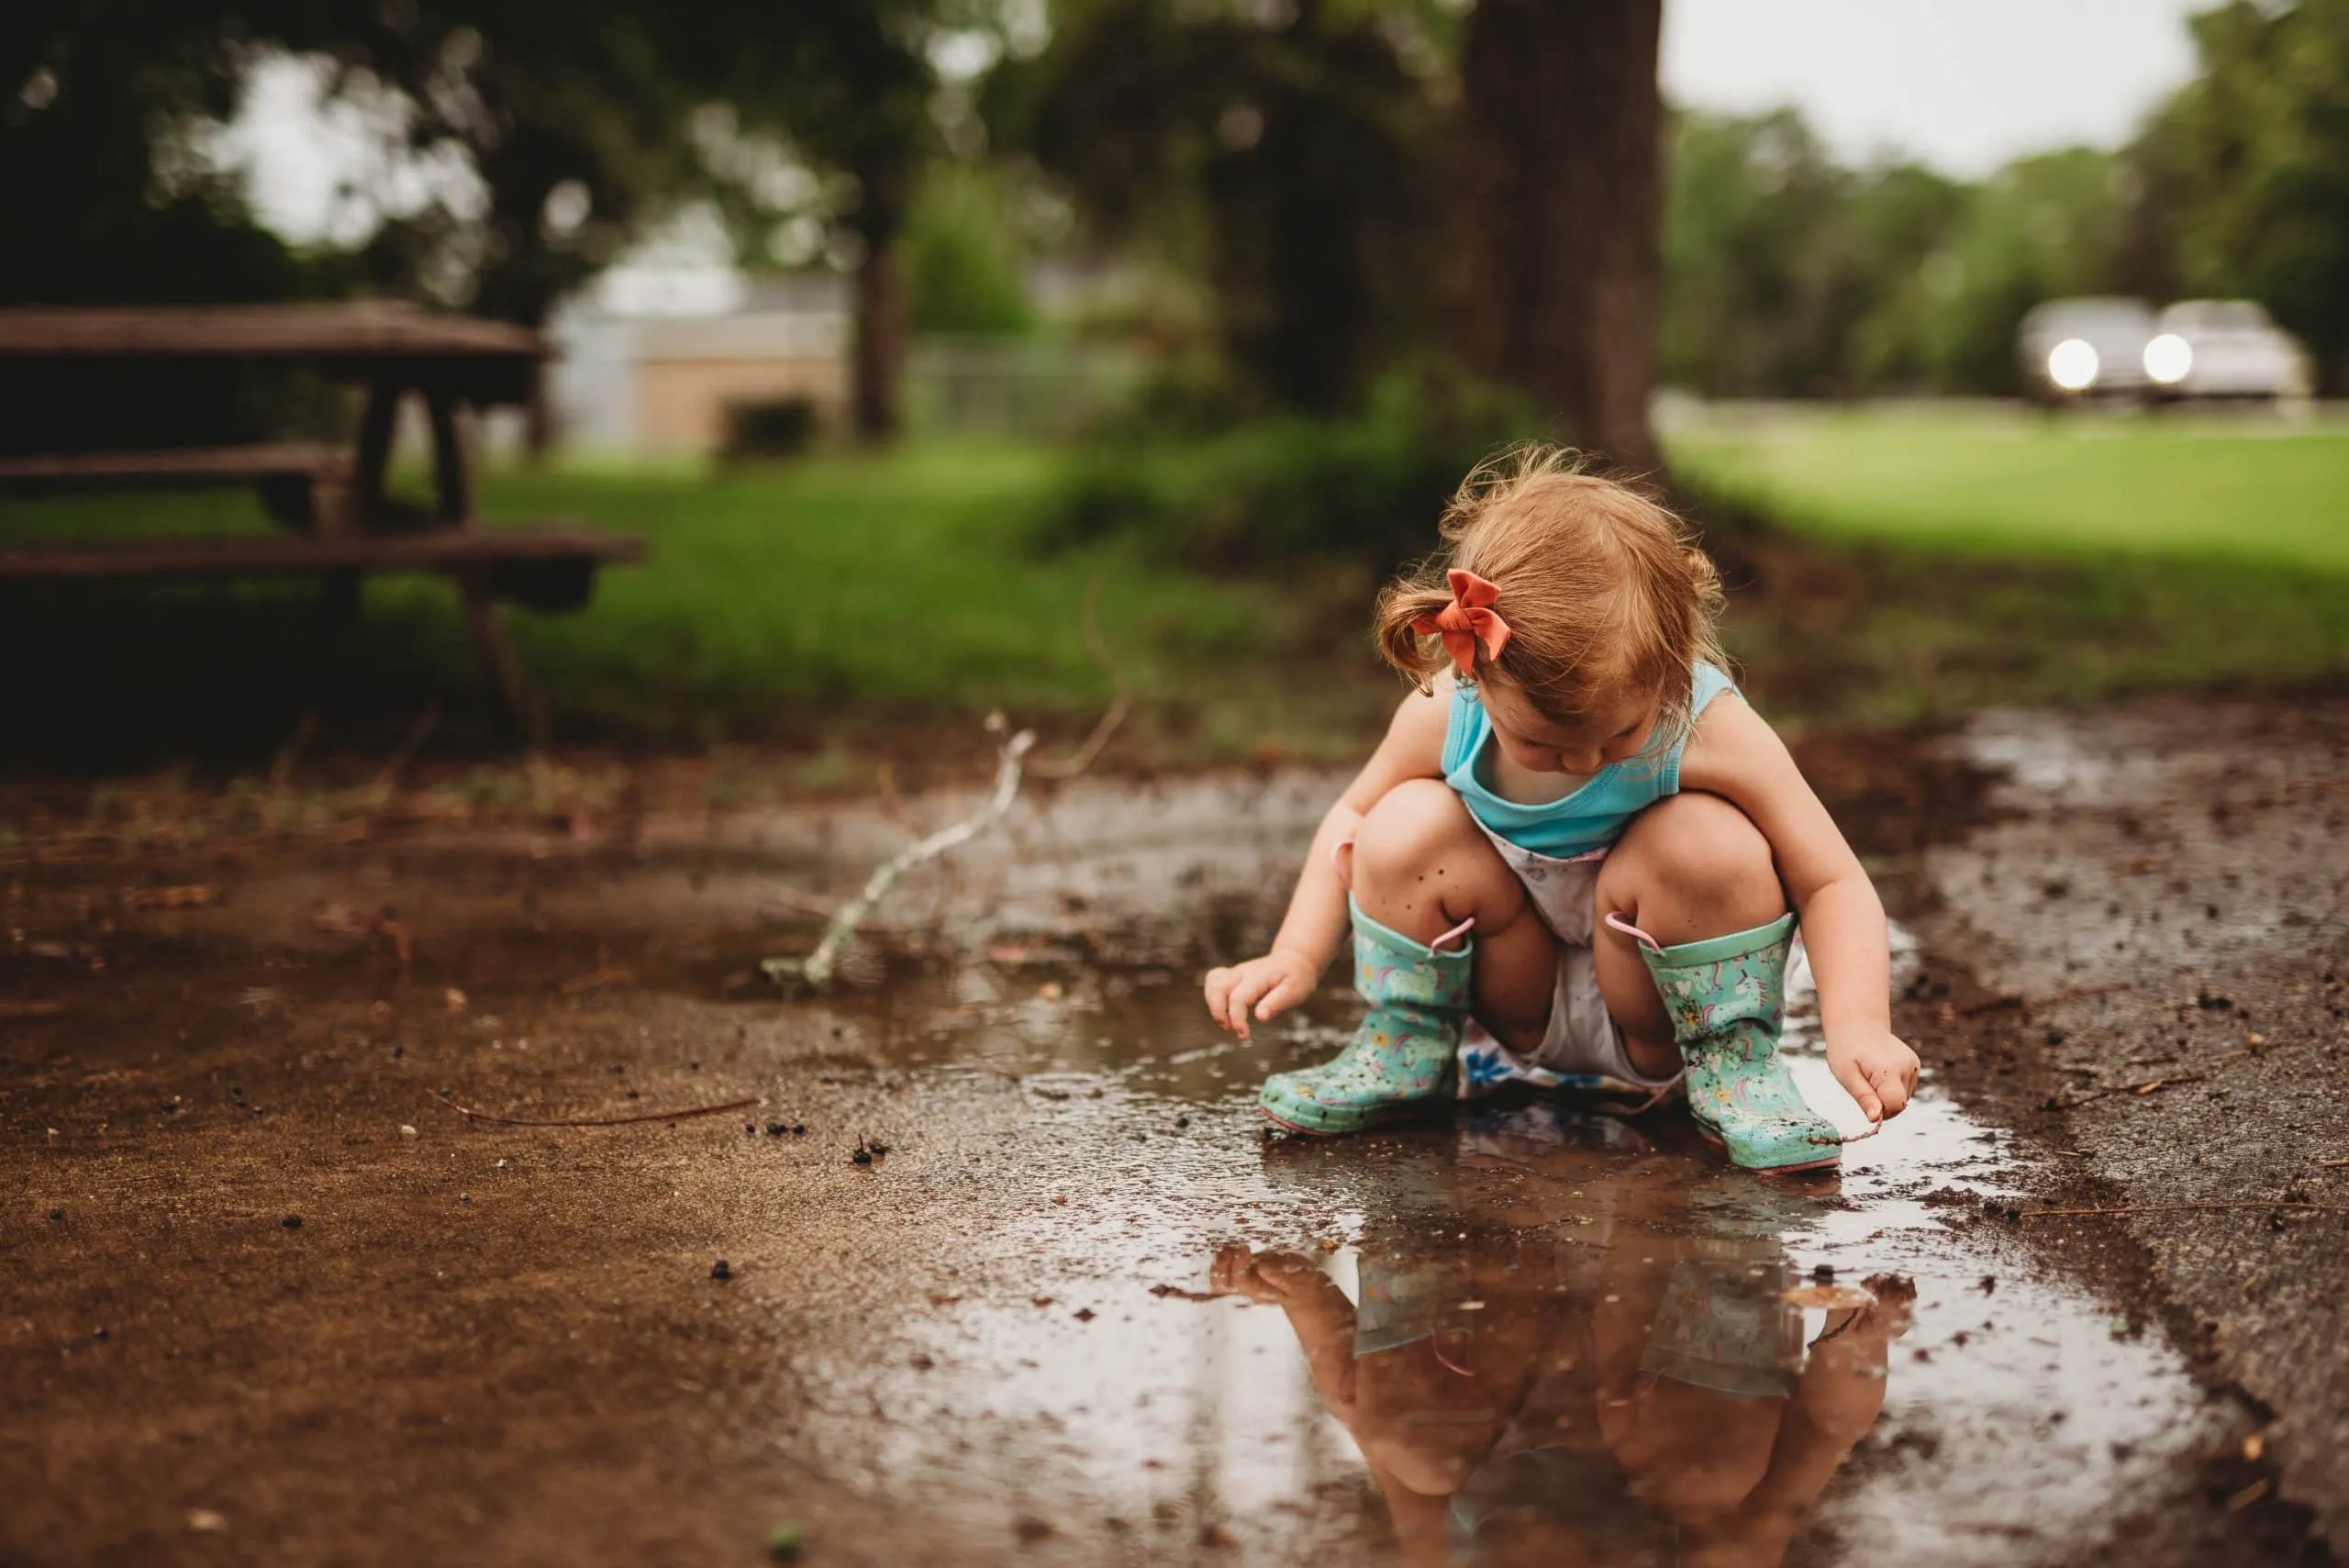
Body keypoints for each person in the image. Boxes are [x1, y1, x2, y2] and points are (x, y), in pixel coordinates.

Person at [1201, 447, 1919, 1171]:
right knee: (1400, 820)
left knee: (1709, 837)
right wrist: (1293, 953)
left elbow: (1831, 879)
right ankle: (1408, 1047)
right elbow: (1349, 824)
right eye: (1541, 741)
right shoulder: (1446, 713)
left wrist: (1859, 1026)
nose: (1582, 762)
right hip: (1519, 1006)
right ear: (1474, 671)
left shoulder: (1708, 725)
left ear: (1671, 669)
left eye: (1618, 736)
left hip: (1662, 1017)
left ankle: (1731, 1069)